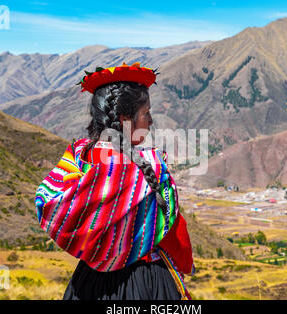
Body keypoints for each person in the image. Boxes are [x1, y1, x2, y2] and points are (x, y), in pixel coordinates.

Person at [34, 62, 194, 300]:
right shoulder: (150, 166)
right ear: (125, 118)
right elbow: (173, 232)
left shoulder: (78, 158)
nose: (150, 121)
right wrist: (184, 264)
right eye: (146, 113)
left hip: (88, 283)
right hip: (145, 282)